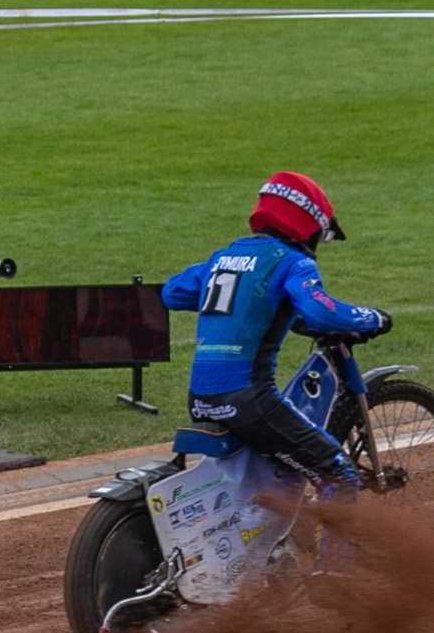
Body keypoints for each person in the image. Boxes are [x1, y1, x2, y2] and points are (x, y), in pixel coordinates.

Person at [160, 173, 390, 488]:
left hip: (200, 400)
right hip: (249, 403)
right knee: (340, 474)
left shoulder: (223, 258)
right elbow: (322, 312)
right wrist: (372, 317)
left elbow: (171, 293)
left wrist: (247, 303)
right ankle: (337, 520)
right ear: (308, 225)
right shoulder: (293, 262)